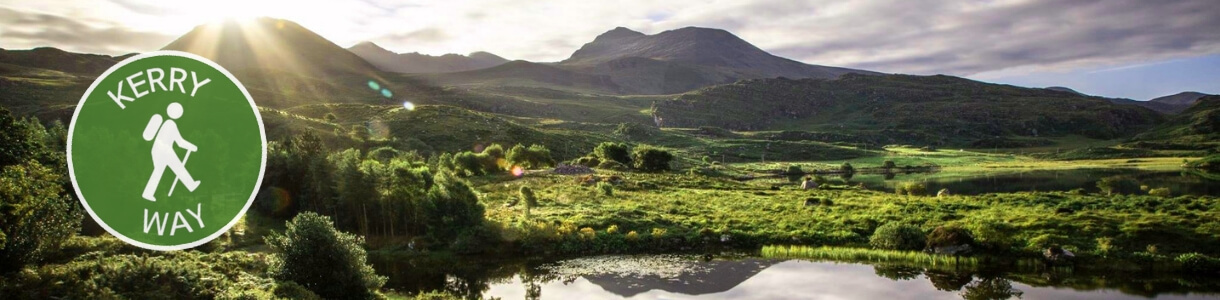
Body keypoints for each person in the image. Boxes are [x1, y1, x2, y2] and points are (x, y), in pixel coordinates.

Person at [141, 102, 200, 201]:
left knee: (160, 171)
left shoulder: (166, 123)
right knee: (177, 167)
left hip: (158, 150)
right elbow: (180, 142)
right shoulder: (170, 124)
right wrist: (192, 147)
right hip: (165, 150)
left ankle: (148, 193)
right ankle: (191, 185)